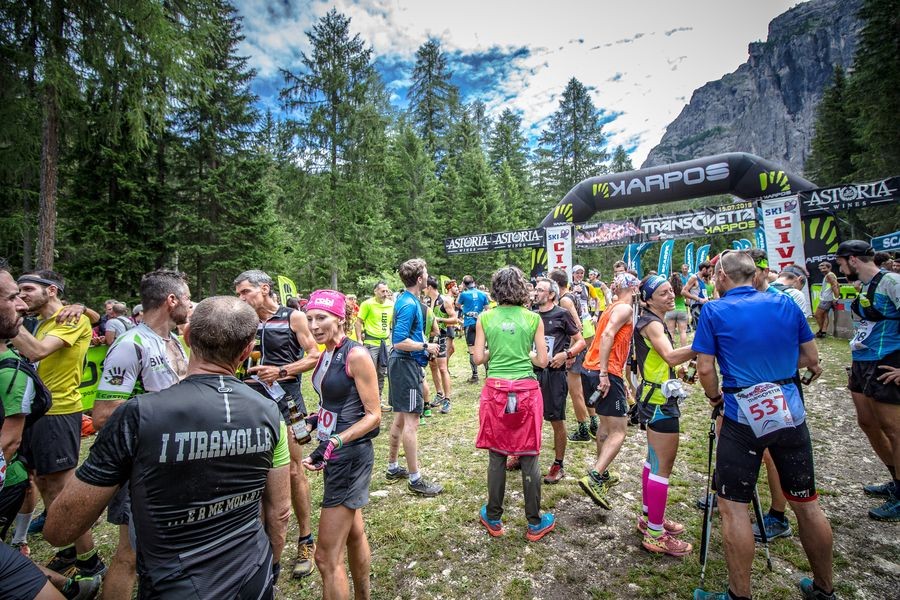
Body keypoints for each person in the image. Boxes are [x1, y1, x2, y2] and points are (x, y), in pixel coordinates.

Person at [44, 296, 292, 599]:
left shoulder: (138, 414)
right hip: (253, 577)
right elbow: (280, 512)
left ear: (186, 337)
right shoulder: (269, 412)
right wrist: (272, 565)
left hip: (174, 585)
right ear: (246, 351)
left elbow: (60, 531)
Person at [692, 250, 835, 600]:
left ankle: (739, 594)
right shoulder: (785, 302)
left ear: (722, 277)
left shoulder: (714, 310)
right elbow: (811, 357)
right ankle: (824, 588)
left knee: (733, 506)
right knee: (807, 503)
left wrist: (715, 399)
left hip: (741, 415)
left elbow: (705, 369)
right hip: (790, 410)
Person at [91, 270, 192, 600]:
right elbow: (103, 416)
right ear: (171, 300)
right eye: (187, 298)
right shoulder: (130, 344)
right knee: (130, 554)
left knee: (166, 549)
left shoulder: (173, 341)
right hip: (141, 464)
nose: (190, 305)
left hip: (171, 459)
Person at [11, 270, 106, 579]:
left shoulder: (71, 319)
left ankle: (89, 561)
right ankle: (68, 550)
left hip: (60, 411)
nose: (22, 295)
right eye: (17, 291)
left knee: (62, 490)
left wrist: (7, 317)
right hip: (37, 411)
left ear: (51, 290)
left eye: (28, 289)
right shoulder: (43, 323)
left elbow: (37, 351)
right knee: (42, 482)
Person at [233, 269, 320, 578]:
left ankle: (306, 540)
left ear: (265, 289)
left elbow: (314, 355)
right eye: (238, 294)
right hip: (250, 405)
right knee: (254, 474)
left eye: (246, 291)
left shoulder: (293, 317)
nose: (241, 298)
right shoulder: (242, 320)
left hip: (288, 403)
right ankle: (258, 545)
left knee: (295, 471)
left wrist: (281, 371)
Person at [301, 290, 381, 600]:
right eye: (309, 319)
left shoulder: (355, 354)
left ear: (340, 319)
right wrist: (314, 420)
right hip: (335, 453)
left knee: (325, 558)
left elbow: (373, 415)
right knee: (354, 534)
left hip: (349, 456)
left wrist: (334, 440)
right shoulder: (325, 353)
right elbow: (334, 402)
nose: (314, 326)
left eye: (321, 318)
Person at [473, 266, 554, 541]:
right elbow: (542, 360)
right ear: (522, 289)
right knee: (529, 453)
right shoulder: (533, 318)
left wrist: (494, 351)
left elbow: (478, 358)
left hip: (496, 390)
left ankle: (493, 517)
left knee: (497, 454)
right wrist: (525, 353)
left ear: (495, 289)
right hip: (526, 390)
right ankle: (534, 522)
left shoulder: (485, 317)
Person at [835, 240, 900, 520]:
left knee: (894, 429)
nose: (840, 269)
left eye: (841, 263)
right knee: (868, 423)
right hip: (862, 360)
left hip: (887, 359)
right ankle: (895, 479)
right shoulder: (865, 285)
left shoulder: (892, 282)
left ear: (852, 259)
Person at [633, 274, 696, 557]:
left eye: (671, 291)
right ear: (648, 300)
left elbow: (661, 361)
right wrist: (704, 343)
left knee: (653, 460)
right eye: (663, 293)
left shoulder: (651, 320)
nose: (671, 296)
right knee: (662, 467)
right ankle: (656, 534)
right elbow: (670, 355)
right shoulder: (653, 323)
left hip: (654, 395)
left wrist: (678, 372)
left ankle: (650, 518)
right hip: (660, 401)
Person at [579, 273, 641, 509]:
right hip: (603, 371)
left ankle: (602, 473)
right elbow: (606, 335)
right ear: (633, 288)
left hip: (593, 369)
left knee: (605, 426)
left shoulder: (612, 307)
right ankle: (595, 476)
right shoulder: (624, 309)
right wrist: (606, 374)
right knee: (619, 431)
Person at [385, 259, 443, 496]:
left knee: (400, 417)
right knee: (412, 422)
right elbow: (399, 340)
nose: (428, 276)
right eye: (426, 274)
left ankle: (392, 468)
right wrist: (425, 346)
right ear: (419, 279)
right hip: (405, 364)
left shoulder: (405, 299)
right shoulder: (409, 304)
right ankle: (415, 479)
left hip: (403, 363)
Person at [523, 277, 584, 483]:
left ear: (551, 295)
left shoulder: (562, 314)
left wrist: (566, 354)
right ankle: (522, 455)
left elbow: (580, 341)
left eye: (541, 290)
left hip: (554, 373)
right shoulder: (530, 315)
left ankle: (558, 464)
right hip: (531, 372)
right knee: (527, 417)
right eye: (536, 289)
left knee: (556, 419)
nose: (536, 293)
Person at [548, 269, 597, 442]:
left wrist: (571, 353)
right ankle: (594, 424)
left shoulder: (565, 300)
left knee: (576, 391)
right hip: (577, 346)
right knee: (582, 388)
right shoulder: (569, 296)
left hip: (575, 348)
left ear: (555, 283)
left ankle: (583, 429)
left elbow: (576, 325)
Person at [355, 282, 394, 408]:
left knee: (382, 373)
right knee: (368, 373)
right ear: (375, 291)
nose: (385, 294)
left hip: (385, 343)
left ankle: (378, 400)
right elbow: (358, 322)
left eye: (387, 291)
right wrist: (359, 340)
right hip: (371, 343)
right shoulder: (367, 304)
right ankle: (365, 401)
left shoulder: (391, 305)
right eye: (382, 291)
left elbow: (392, 322)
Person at [424, 277, 457, 414]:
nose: (423, 290)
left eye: (425, 287)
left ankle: (447, 400)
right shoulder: (425, 301)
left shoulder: (445, 300)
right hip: (429, 338)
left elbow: (454, 319)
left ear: (429, 287)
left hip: (441, 336)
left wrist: (439, 319)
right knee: (432, 365)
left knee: (443, 368)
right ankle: (439, 393)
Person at [457, 275, 491, 383]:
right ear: (474, 282)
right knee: (484, 348)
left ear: (464, 284)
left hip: (469, 323)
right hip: (481, 323)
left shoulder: (463, 294)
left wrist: (464, 308)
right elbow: (488, 309)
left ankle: (475, 376)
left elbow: (457, 304)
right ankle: (488, 374)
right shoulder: (483, 294)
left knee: (472, 350)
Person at [815, 262, 840, 338]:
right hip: (827, 298)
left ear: (829, 268)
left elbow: (835, 286)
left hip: (826, 299)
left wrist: (836, 298)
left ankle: (821, 330)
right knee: (825, 315)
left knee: (817, 315)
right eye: (821, 268)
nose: (822, 270)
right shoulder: (829, 275)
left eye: (824, 268)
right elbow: (837, 285)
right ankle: (823, 332)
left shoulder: (829, 275)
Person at [665, 273, 689, 347]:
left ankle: (670, 349)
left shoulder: (669, 290)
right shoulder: (683, 288)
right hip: (682, 310)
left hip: (671, 310)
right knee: (683, 332)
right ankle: (684, 349)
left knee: (671, 332)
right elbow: (688, 302)